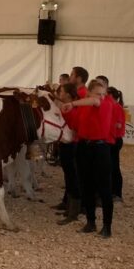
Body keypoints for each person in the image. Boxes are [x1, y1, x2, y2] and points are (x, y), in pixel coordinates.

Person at [61, 80, 115, 238]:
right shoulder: (83, 109)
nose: (102, 97)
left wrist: (72, 104)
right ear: (90, 92)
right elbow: (74, 124)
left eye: (104, 94)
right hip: (84, 147)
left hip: (101, 148)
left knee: (105, 188)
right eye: (98, 93)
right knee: (86, 186)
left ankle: (107, 226)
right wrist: (66, 110)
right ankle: (90, 222)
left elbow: (94, 101)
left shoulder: (104, 104)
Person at [55, 83, 81, 225]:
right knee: (68, 175)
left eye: (62, 91)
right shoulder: (67, 107)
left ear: (69, 95)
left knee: (72, 176)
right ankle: (70, 207)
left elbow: (74, 128)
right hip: (66, 144)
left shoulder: (70, 110)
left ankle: (73, 212)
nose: (60, 92)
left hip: (71, 145)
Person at [107, 86, 126, 203]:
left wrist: (106, 124)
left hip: (115, 139)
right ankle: (112, 191)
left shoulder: (117, 107)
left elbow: (118, 125)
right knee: (111, 166)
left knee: (114, 167)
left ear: (111, 95)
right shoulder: (112, 107)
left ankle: (117, 193)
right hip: (111, 139)